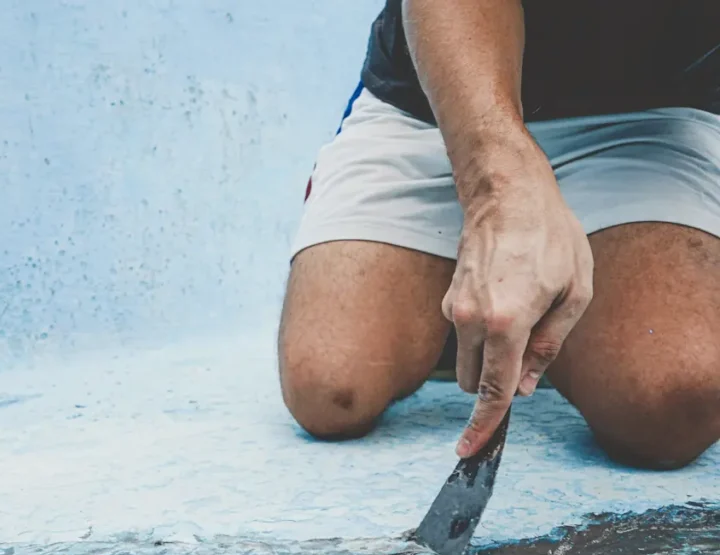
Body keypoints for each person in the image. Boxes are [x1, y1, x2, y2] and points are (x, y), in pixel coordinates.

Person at [279, 0, 720, 470]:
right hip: (440, 96)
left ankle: (550, 301)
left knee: (671, 403)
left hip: (649, 117)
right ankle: (472, 298)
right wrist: (498, 188)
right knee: (328, 386)